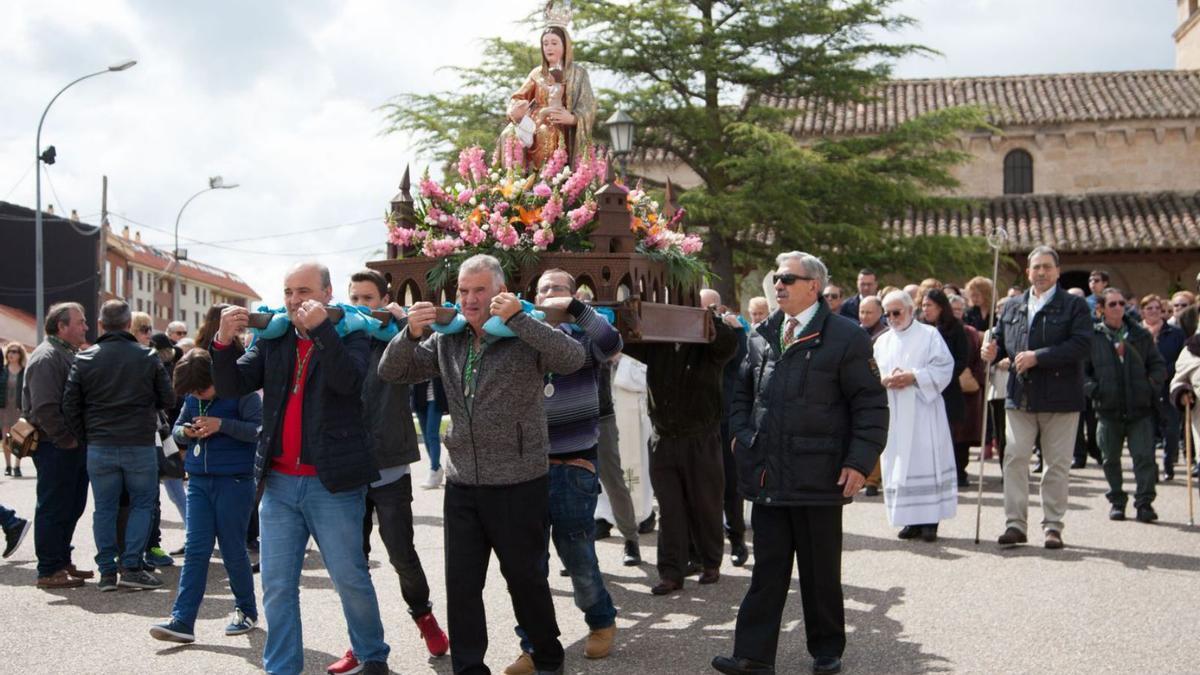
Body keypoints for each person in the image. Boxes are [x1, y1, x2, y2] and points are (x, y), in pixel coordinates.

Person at [378, 254, 585, 675]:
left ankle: (547, 658)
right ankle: (469, 668)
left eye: (480, 290)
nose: (470, 300)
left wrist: (521, 321)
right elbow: (392, 371)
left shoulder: (526, 331)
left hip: (518, 482)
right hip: (463, 485)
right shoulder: (447, 338)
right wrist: (410, 332)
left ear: (500, 292)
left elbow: (572, 358)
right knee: (463, 586)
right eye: (463, 291)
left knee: (526, 582)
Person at [712, 251, 888, 675]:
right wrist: (740, 436)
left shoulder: (847, 337)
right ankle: (753, 656)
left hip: (820, 474)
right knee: (767, 571)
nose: (779, 285)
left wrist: (859, 461)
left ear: (814, 285)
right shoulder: (760, 334)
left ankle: (827, 651)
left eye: (788, 278)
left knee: (820, 571)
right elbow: (740, 392)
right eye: (776, 277)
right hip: (770, 471)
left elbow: (870, 405)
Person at [211, 262, 390, 675]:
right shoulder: (274, 336)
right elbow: (232, 386)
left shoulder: (354, 332)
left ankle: (372, 656)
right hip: (278, 484)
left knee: (349, 578)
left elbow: (350, 382)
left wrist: (323, 331)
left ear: (327, 293)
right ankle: (282, 667)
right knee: (276, 586)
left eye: (304, 291)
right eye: (288, 291)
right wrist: (223, 343)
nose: (293, 300)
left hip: (334, 484)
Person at [328, 269, 448, 673]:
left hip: (391, 464)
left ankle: (425, 618)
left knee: (402, 555)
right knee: (353, 563)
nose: (361, 306)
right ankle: (361, 643)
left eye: (368, 298)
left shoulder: (397, 337)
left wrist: (402, 322)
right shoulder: (339, 339)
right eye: (355, 299)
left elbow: (434, 354)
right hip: (348, 468)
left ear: (383, 300)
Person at [504, 269, 622, 675]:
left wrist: (575, 309)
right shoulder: (518, 335)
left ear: (573, 297)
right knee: (528, 564)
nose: (548, 294)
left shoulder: (585, 337)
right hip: (526, 469)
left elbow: (613, 341)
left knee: (577, 554)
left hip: (574, 465)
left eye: (558, 289)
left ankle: (601, 621)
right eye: (543, 289)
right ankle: (533, 645)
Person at [622, 292, 738, 596]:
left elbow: (728, 345)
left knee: (706, 503)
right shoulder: (657, 341)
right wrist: (631, 310)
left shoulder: (710, 344)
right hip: (663, 437)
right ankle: (671, 572)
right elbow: (627, 339)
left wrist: (713, 320)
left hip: (701, 437)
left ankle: (710, 561)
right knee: (670, 508)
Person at [981, 246, 1092, 550]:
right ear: (1027, 272)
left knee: (1056, 464)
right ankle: (1015, 524)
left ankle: (1053, 525)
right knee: (1014, 457)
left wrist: (1038, 357)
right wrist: (992, 350)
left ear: (1057, 271)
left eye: (1047, 267)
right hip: (1021, 395)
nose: (1041, 273)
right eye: (1035, 268)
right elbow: (1002, 343)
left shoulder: (1074, 306)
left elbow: (1082, 345)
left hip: (1061, 397)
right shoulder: (1013, 306)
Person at [150, 349, 261, 644]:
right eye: (192, 392)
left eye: (203, 390)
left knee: (232, 549)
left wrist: (221, 425)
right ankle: (183, 620)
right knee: (196, 550)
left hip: (234, 482)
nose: (197, 396)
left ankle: (246, 610)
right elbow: (175, 431)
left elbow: (260, 431)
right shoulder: (192, 396)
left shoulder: (244, 392)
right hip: (198, 481)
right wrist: (187, 432)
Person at [63, 300, 175, 591]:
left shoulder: (85, 358)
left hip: (100, 444)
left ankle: (107, 571)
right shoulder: (148, 356)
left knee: (105, 508)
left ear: (101, 324)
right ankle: (132, 565)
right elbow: (168, 399)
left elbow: (69, 406)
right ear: (128, 325)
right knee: (142, 504)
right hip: (138, 442)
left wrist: (87, 435)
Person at [874, 290, 957, 542]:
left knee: (925, 461)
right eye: (887, 314)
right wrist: (883, 380)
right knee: (900, 463)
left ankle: (930, 522)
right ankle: (910, 520)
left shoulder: (929, 335)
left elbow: (944, 367)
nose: (892, 318)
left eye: (896, 312)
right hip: (895, 410)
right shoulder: (881, 341)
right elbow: (872, 372)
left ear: (911, 310)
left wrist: (914, 377)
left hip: (923, 409)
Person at [23, 302, 93, 588]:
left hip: (71, 445)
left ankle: (62, 560)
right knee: (54, 506)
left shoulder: (66, 352)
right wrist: (67, 440)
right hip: (56, 446)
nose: (86, 327)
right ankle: (49, 569)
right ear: (61, 326)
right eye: (80, 322)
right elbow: (45, 408)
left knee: (71, 505)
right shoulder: (47, 357)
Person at [1084, 288, 1166, 523]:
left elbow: (1158, 365)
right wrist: (1095, 390)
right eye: (1113, 304)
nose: (1119, 307)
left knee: (1144, 458)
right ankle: (1117, 502)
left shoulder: (1140, 335)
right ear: (1101, 308)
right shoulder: (1092, 337)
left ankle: (1144, 503)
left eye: (1122, 303)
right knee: (1110, 458)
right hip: (1108, 409)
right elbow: (1082, 373)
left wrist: (1150, 385)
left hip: (1139, 409)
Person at [499, 19, 596, 170]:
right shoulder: (537, 73)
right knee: (509, 133)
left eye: (554, 43)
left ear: (565, 45)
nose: (549, 48)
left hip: (560, 124)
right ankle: (515, 182)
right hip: (534, 121)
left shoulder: (578, 73)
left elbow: (588, 106)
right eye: (545, 43)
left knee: (547, 132)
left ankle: (548, 181)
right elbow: (518, 97)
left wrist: (572, 118)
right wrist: (515, 110)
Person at [700, 288, 752, 569]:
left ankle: (738, 539)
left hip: (728, 419)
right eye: (704, 309)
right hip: (700, 420)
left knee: (732, 485)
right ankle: (706, 547)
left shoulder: (735, 332)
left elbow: (746, 364)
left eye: (714, 309)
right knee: (704, 487)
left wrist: (738, 332)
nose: (711, 315)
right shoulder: (690, 333)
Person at [1141, 294, 1187, 480]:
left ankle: (1169, 464)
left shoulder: (1175, 333)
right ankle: (1151, 468)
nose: (1153, 311)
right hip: (1144, 390)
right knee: (1148, 432)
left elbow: (1180, 359)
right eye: (1149, 308)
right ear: (1142, 311)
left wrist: (1164, 373)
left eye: (1157, 308)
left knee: (1171, 431)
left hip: (1168, 387)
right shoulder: (1135, 333)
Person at [948, 294, 986, 488]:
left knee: (962, 435)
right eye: (952, 309)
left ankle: (961, 472)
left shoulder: (971, 333)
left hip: (967, 391)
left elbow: (980, 361)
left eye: (959, 310)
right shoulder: (935, 332)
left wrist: (976, 379)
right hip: (944, 389)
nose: (956, 313)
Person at [2, 342, 28, 477]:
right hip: (4, 409)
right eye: (9, 351)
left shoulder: (25, 370)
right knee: (6, 438)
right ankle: (8, 466)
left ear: (20, 354)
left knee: (19, 439)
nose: (11, 354)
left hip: (19, 409)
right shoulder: (3, 370)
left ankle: (17, 466)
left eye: (14, 351)